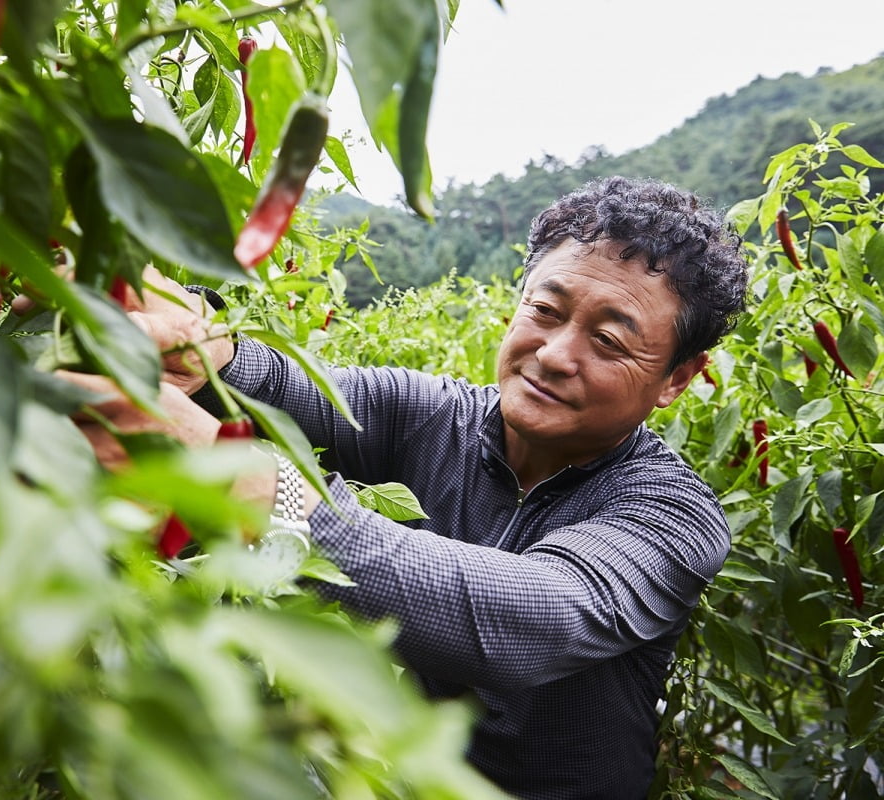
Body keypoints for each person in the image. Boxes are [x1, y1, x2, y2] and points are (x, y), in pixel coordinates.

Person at [63, 176, 749, 799]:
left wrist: (265, 493)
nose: (555, 353)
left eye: (608, 339)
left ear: (677, 379)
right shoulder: (438, 415)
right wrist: (203, 346)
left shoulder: (672, 516)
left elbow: (529, 620)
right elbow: (285, 387)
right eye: (545, 309)